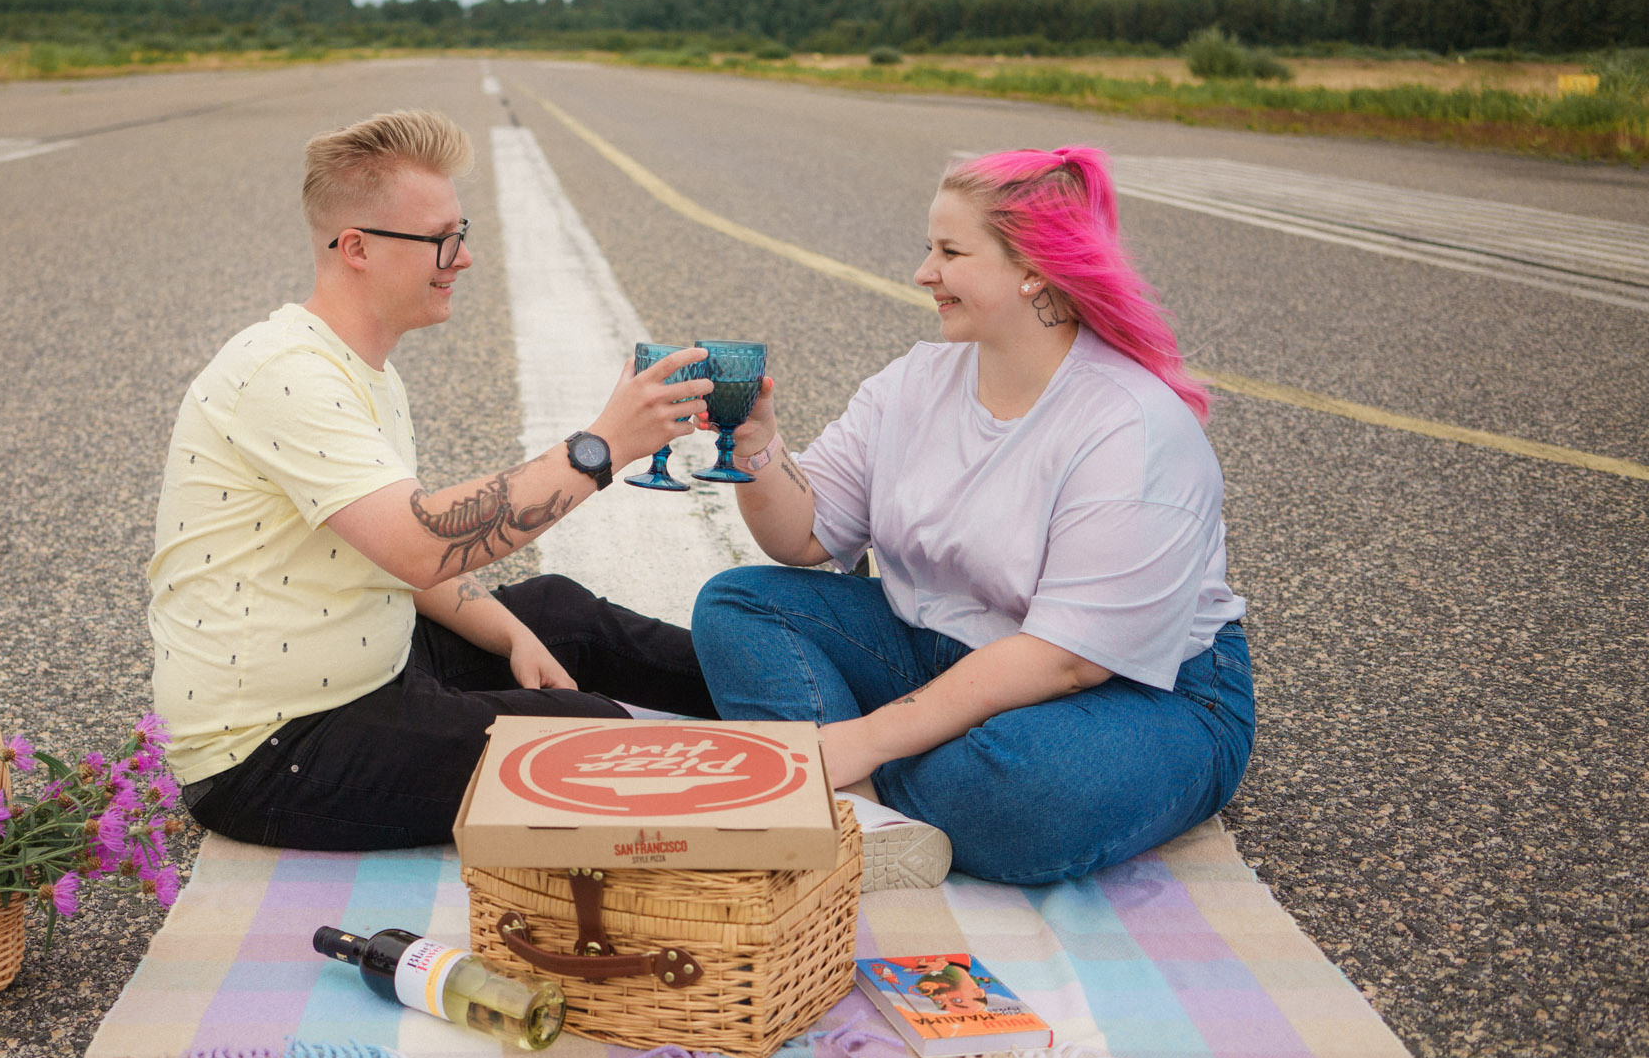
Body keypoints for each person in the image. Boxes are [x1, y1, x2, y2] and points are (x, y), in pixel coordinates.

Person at [147, 109, 717, 850]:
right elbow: (422, 545)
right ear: (355, 246)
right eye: (442, 239)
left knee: (558, 612)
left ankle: (802, 701)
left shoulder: (361, 368)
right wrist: (601, 447)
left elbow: (394, 552)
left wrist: (516, 635)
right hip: (275, 750)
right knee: (592, 737)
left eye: (462, 232)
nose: (463, 258)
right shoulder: (284, 375)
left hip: (376, 665)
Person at [691, 146, 1253, 886]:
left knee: (1032, 785)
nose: (925, 273)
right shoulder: (915, 380)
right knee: (737, 604)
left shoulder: (1131, 424)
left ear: (1034, 269)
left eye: (951, 251)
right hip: (946, 643)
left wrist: (864, 738)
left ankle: (843, 791)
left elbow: (1069, 657)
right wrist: (757, 445)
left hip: (1138, 687)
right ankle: (876, 808)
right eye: (930, 248)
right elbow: (802, 534)